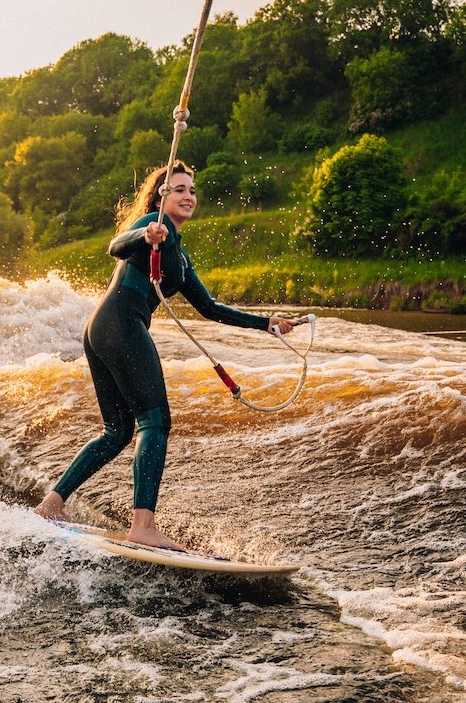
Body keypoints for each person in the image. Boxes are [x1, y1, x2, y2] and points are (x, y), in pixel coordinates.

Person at [33, 160, 294, 550]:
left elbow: (210, 308)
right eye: (179, 190)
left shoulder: (180, 256)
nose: (188, 196)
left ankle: (51, 505)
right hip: (120, 323)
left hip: (102, 329)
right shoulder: (152, 226)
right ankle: (143, 526)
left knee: (118, 431)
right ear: (161, 196)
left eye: (192, 190)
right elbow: (115, 246)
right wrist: (145, 237)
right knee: (154, 420)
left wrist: (265, 324)